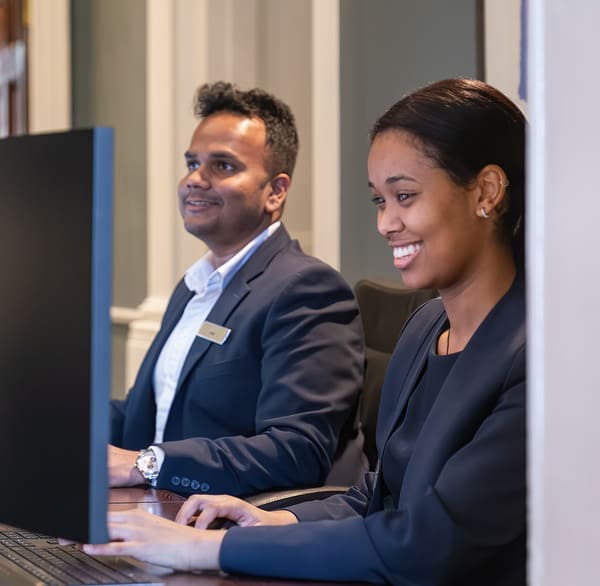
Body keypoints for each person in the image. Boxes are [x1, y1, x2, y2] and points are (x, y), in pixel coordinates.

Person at [86, 78, 526, 585]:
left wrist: (211, 547)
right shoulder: (426, 326)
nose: (386, 223)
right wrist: (276, 521)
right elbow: (377, 495)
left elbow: (426, 543)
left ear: (487, 192)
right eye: (379, 201)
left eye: (404, 196)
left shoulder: (536, 359)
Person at [109, 81, 366, 497]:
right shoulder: (194, 285)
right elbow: (149, 415)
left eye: (223, 166)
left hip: (228, 529)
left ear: (276, 191)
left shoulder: (307, 290)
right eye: (192, 162)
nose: (195, 179)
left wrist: (146, 464)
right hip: (157, 511)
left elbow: (296, 450)